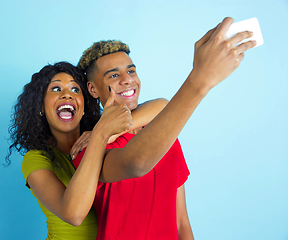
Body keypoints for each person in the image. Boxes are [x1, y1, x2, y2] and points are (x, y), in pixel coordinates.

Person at [72, 17, 256, 239]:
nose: (127, 80)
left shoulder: (166, 135)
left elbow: (181, 222)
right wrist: (201, 79)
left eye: (131, 71)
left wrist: (115, 129)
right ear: (92, 89)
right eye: (113, 75)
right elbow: (136, 162)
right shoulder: (87, 149)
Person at [6, 62, 170, 239]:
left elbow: (163, 107)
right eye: (56, 89)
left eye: (75, 90)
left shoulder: (100, 134)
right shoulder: (36, 159)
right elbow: (74, 214)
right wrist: (102, 133)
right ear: (40, 106)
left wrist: (112, 133)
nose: (67, 95)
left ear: (84, 105)